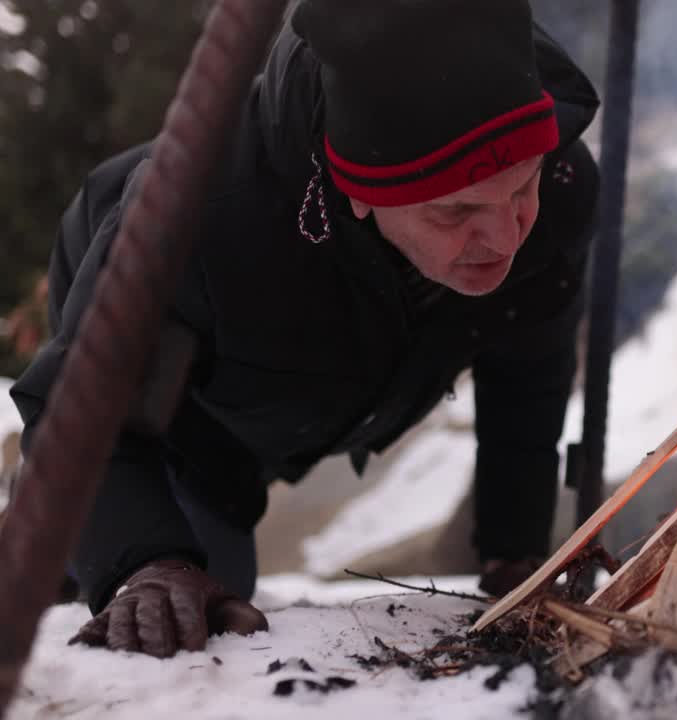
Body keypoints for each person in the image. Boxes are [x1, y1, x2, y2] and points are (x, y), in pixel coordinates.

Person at [9, 0, 600, 659]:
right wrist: (144, 564)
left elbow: (527, 377)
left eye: (523, 187)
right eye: (457, 209)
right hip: (182, 402)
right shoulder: (199, 219)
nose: (505, 234)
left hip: (324, 377)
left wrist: (515, 556)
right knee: (184, 607)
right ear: (359, 191)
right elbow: (83, 413)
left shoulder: (564, 188)